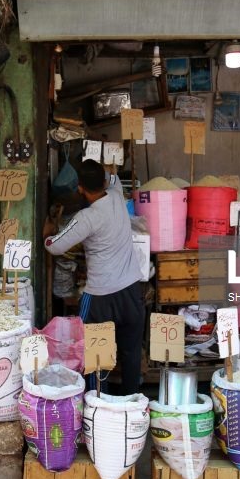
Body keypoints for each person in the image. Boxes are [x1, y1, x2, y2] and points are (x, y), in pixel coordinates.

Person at [43, 159, 144, 395]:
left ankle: (97, 400)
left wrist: (48, 232)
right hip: (131, 291)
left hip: (100, 297)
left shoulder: (86, 217)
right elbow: (113, 177)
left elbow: (54, 247)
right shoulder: (118, 195)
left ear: (79, 187)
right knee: (130, 353)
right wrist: (105, 171)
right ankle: (131, 401)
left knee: (96, 354)